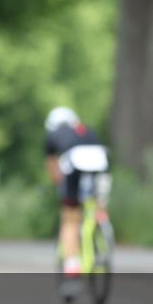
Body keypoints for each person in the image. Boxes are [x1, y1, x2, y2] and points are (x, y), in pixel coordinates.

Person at [44, 107, 107, 277]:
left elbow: (53, 166)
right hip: (100, 161)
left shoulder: (53, 134)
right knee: (95, 199)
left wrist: (60, 186)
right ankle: (101, 213)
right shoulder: (86, 129)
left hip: (76, 161)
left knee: (70, 217)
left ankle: (72, 263)